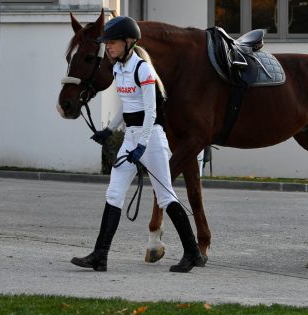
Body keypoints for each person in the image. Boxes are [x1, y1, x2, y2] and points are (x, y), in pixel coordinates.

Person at [70, 16, 207, 273]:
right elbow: (126, 106)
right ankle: (100, 255)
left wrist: (142, 146)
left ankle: (192, 254)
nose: (107, 47)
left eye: (112, 42)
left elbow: (152, 112)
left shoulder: (142, 69)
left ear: (128, 42)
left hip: (151, 138)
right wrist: (108, 130)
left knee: (166, 196)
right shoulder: (119, 69)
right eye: (106, 43)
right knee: (113, 194)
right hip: (132, 137)